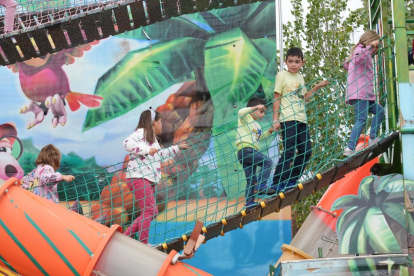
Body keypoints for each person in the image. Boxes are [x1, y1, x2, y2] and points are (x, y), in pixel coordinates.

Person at [123, 109, 189, 243]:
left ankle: (126, 236)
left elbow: (160, 155)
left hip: (146, 179)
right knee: (149, 210)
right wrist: (147, 150)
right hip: (138, 177)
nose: (162, 125)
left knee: (151, 211)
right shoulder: (141, 132)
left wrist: (177, 148)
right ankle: (142, 242)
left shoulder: (152, 139)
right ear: (153, 122)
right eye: (160, 121)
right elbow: (126, 143)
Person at [272, 47, 329, 191]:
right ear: (285, 62)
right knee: (289, 151)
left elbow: (304, 98)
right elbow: (277, 97)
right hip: (288, 118)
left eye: (297, 62)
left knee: (306, 152)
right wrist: (275, 118)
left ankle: (292, 180)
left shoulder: (300, 77)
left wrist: (317, 87)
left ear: (302, 63)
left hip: (301, 119)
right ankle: (277, 182)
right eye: (290, 61)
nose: (293, 64)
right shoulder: (282, 76)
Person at [342, 30, 385, 156]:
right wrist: (370, 46)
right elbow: (358, 58)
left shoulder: (363, 51)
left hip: (365, 94)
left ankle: (373, 138)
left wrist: (372, 49)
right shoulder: (360, 50)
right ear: (369, 41)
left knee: (380, 111)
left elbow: (347, 64)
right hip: (360, 93)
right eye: (375, 46)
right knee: (361, 119)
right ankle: (350, 147)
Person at [236, 97, 276, 209]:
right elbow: (240, 112)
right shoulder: (245, 118)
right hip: (245, 150)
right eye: (261, 111)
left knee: (251, 179)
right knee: (267, 162)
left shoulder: (257, 125)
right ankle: (261, 185)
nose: (263, 115)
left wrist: (270, 131)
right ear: (253, 109)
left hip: (250, 151)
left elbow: (260, 137)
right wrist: (254, 107)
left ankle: (249, 202)